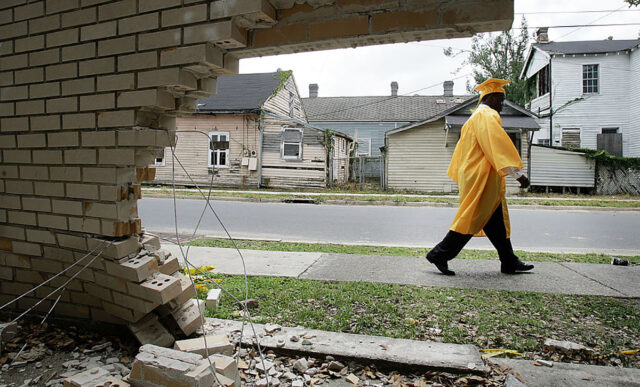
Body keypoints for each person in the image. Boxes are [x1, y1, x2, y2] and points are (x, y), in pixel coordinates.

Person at [426, 78, 534, 276]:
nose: (502, 105)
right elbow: (497, 146)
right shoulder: (487, 115)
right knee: (471, 218)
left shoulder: (474, 117)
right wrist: (518, 174)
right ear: (491, 98)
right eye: (500, 100)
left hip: (475, 175)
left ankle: (509, 261)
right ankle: (439, 254)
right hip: (482, 178)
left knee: (496, 220)